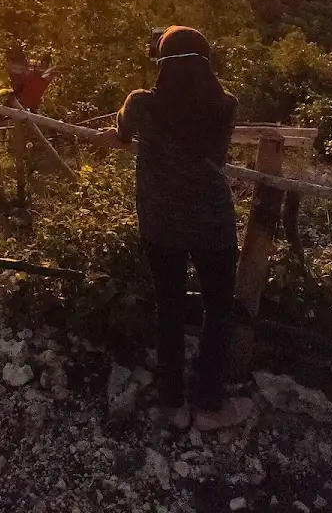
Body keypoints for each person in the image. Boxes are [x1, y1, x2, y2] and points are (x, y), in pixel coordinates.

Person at [94, 25, 253, 432]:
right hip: (213, 224)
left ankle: (172, 406)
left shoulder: (142, 103)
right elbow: (217, 154)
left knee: (170, 309)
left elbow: (122, 133)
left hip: (160, 222)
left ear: (162, 64)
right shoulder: (226, 105)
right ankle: (210, 406)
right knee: (218, 312)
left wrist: (116, 133)